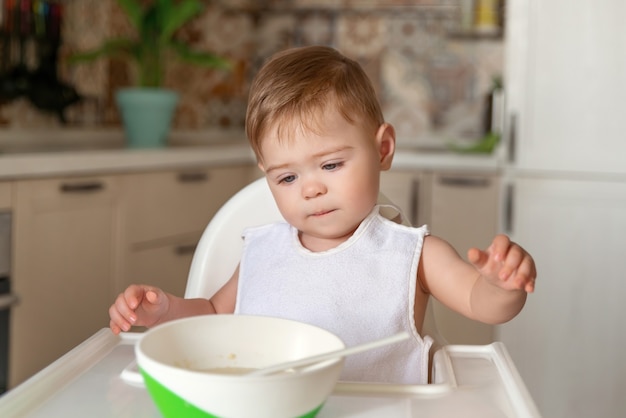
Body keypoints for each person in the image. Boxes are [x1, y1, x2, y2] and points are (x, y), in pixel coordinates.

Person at [109, 45, 536, 384]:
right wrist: (165, 312)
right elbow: (217, 318)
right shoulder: (263, 250)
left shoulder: (413, 253)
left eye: (330, 165)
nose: (311, 188)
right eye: (287, 178)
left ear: (382, 149)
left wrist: (502, 286)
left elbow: (483, 305)